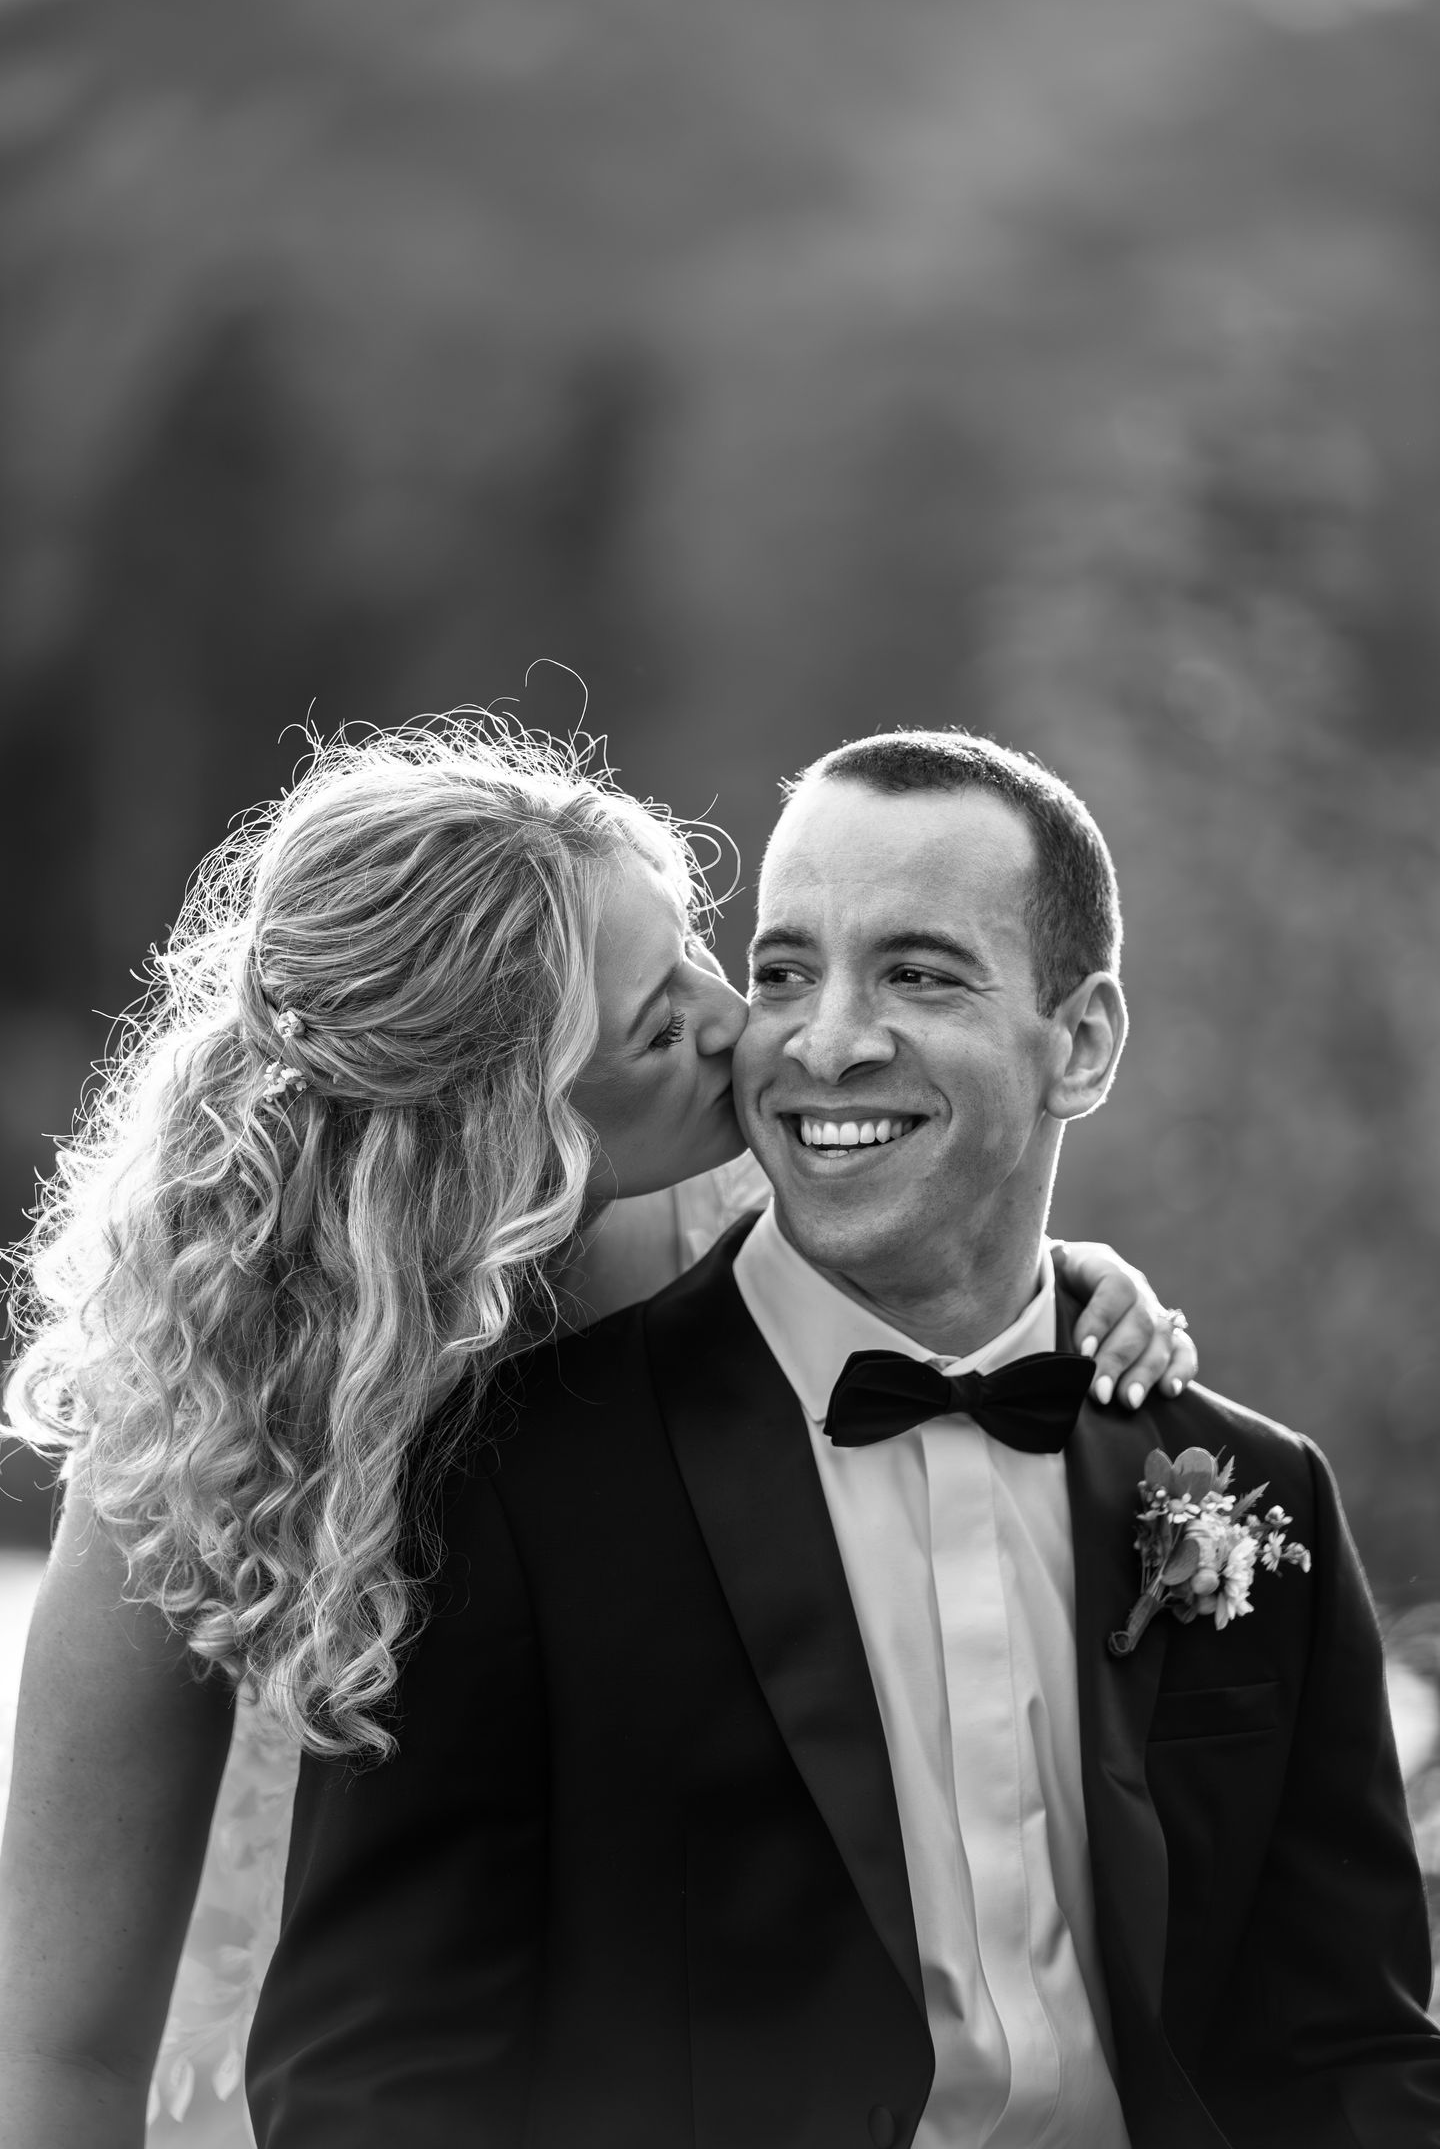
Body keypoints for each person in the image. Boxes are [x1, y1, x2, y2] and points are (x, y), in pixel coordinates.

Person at [0, 719, 1195, 2149]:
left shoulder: (727, 1226)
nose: (735, 1020)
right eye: (655, 1019)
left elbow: (959, 1281)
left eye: (703, 951)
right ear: (497, 1123)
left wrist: (1071, 1286)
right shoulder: (206, 1420)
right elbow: (54, 2052)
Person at [246, 729, 1439, 2149]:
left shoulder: (1255, 1493)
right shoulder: (506, 1489)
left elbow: (1352, 2055)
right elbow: (368, 2087)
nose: (824, 1041)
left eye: (919, 974)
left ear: (1086, 1043)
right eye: (786, 971)